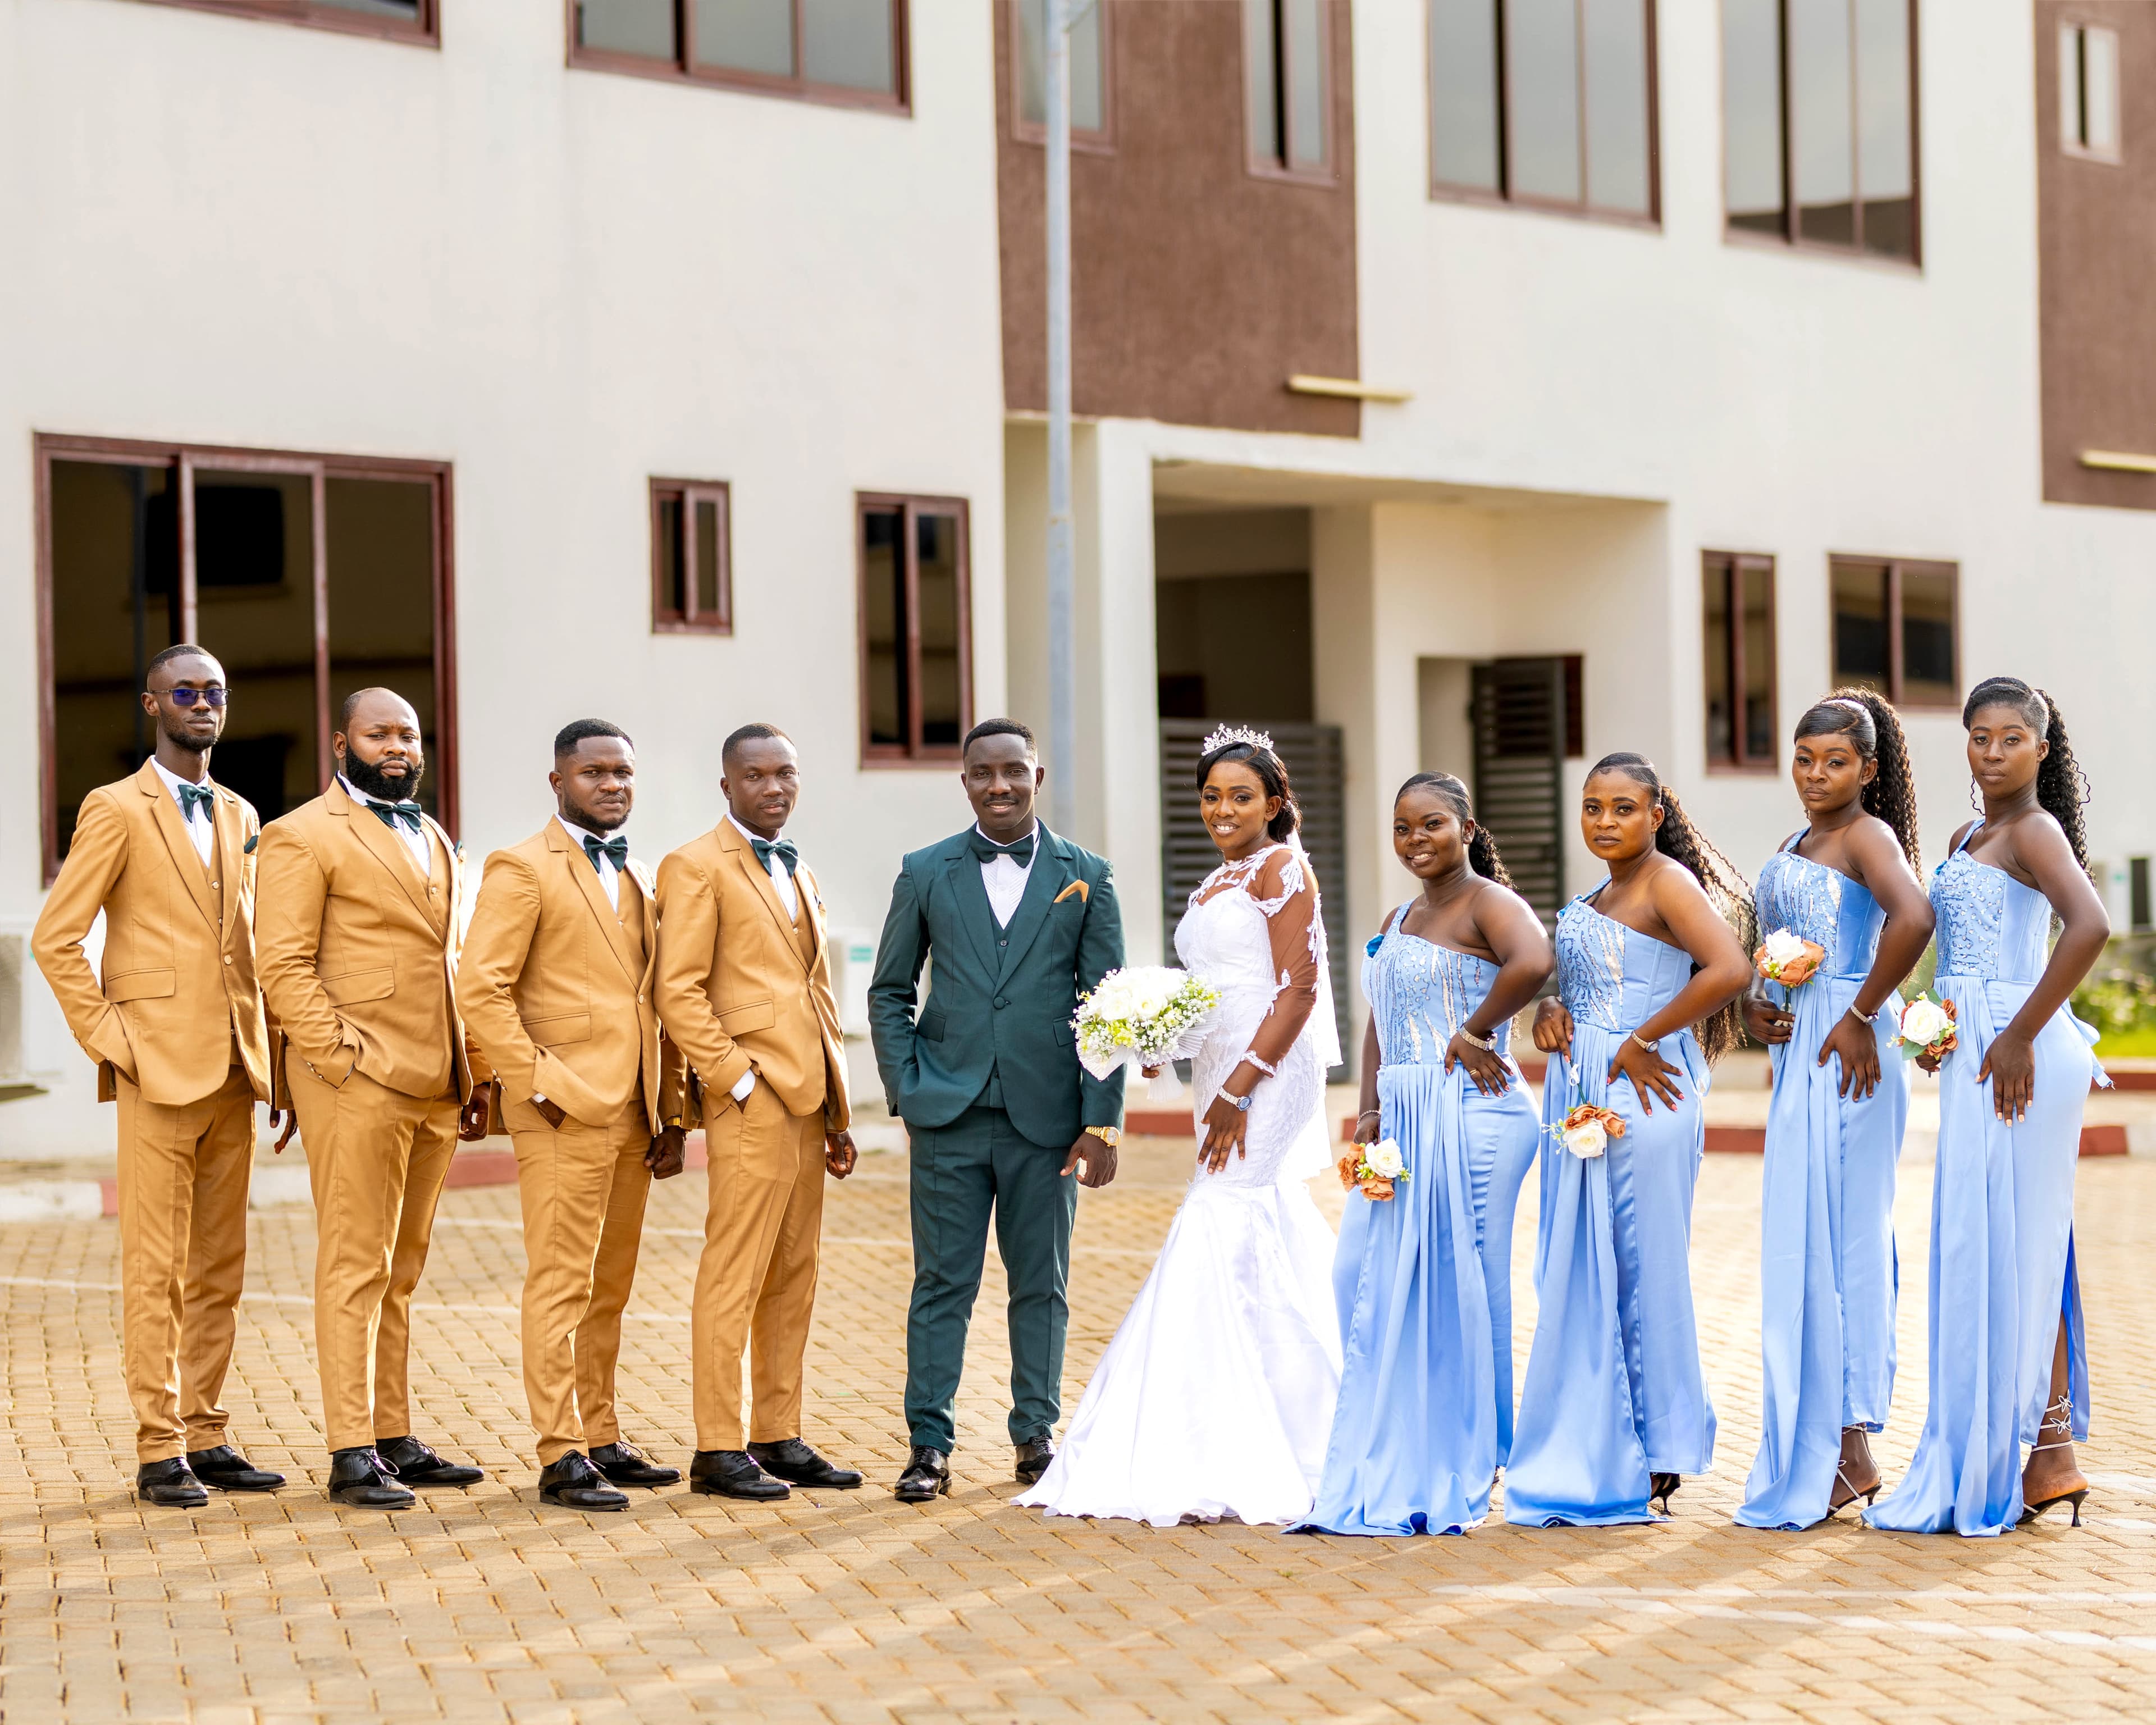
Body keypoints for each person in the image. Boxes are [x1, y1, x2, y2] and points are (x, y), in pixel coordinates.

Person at [1018, 726, 1340, 1528]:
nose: (1223, 809)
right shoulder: (1218, 881)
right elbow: (1218, 990)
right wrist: (1165, 1038)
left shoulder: (1280, 867)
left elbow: (1296, 989)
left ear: (1276, 801)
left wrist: (1239, 1085)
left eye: (1240, 795)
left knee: (1219, 1211)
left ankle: (1214, 1438)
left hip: (1267, 1071)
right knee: (1257, 1221)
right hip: (1220, 1069)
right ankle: (1298, 1414)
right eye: (1210, 795)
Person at [31, 644, 284, 1508]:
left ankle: (208, 1433)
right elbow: (55, 938)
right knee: (157, 1271)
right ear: (152, 705)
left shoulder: (241, 810)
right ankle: (157, 1447)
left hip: (232, 1076)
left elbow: (249, 951)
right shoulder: (115, 808)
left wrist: (272, 1063)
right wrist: (115, 1042)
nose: (203, 702)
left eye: (215, 689)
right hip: (156, 1073)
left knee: (222, 1269)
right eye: (185, 690)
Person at [1867, 679, 2111, 1537]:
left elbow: (2090, 927)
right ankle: (2043, 1457)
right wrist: (1945, 1027)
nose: (1993, 752)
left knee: (2021, 1242)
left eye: (2012, 738)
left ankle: (2033, 1452)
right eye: (1979, 737)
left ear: (2042, 749)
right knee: (1993, 1242)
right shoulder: (1975, 833)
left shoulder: (2036, 831)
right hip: (1980, 1053)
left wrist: (2013, 1035)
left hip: (2023, 1057)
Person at [869, 718, 1125, 1503]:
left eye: (1013, 771)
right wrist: (907, 1087)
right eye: (983, 774)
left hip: (1047, 1116)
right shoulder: (924, 871)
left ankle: (1035, 1436)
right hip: (946, 1111)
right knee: (941, 1281)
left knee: (1041, 1283)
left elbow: (1106, 1006)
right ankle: (929, 1445)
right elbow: (889, 990)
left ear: (1037, 777)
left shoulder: (1088, 873)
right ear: (966, 783)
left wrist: (1101, 1119)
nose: (1000, 786)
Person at [254, 687, 494, 1509]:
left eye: (410, 735)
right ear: (340, 742)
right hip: (355, 1081)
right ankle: (350, 1448)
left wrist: (473, 1069)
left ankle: (392, 1433)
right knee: (355, 1266)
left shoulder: (433, 834)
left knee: (402, 1270)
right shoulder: (299, 836)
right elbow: (281, 965)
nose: (398, 746)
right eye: (380, 733)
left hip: (436, 1082)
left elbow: (451, 959)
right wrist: (338, 1056)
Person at [1298, 773, 1551, 1536]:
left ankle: (1476, 1446)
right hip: (1404, 1119)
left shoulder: (1488, 904)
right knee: (1359, 1274)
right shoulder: (1400, 913)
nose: (1416, 840)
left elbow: (1535, 962)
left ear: (1468, 828)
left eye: (1432, 824)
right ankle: (1410, 1426)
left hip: (1476, 1114)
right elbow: (1381, 1016)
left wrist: (1475, 1031)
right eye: (1403, 827)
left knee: (1467, 1282)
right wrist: (1370, 1105)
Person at [1505, 753, 1752, 1527]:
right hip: (1583, 1091)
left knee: (1641, 1266)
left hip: (1646, 1091)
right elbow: (1580, 986)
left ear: (1656, 815)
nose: (1604, 822)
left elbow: (1730, 969)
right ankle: (1598, 1436)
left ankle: (1659, 1445)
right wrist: (1550, 1010)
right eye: (1592, 808)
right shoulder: (1597, 895)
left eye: (1622, 808)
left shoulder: (1666, 883)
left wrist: (1643, 1036)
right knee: (1579, 1268)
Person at [456, 720, 690, 1512]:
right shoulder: (520, 868)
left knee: (611, 1286)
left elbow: (654, 998)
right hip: (560, 1110)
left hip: (636, 1110)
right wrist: (539, 1084)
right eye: (594, 772)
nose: (612, 785)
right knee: (560, 1282)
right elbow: (479, 989)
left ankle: (601, 1434)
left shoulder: (645, 878)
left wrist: (671, 1110)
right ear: (559, 782)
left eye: (623, 771)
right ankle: (560, 1453)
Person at [1737, 692, 1932, 1530]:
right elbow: (1776, 949)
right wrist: (1757, 999)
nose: (1817, 776)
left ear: (1871, 770)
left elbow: (1914, 915)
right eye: (1805, 759)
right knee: (1802, 1237)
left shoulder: (1867, 836)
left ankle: (1852, 1446)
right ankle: (1823, 1437)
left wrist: (1858, 1014)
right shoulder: (1794, 843)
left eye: (1837, 762)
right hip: (1800, 1048)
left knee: (1849, 1235)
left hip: (1852, 1049)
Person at [654, 723, 860, 1502]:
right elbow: (678, 988)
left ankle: (777, 1432)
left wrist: (837, 1109)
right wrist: (734, 1079)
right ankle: (717, 1445)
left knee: (793, 1275)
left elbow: (815, 990)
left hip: (809, 1104)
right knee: (733, 1274)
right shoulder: (696, 865)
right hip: (751, 1100)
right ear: (727, 785)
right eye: (757, 776)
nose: (774, 788)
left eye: (786, 775)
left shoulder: (797, 866)